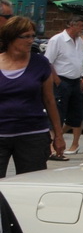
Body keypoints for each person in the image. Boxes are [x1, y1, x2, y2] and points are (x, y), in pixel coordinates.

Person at [0, 15, 63, 174]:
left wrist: (58, 134)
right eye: (25, 36)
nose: (31, 41)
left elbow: (49, 100)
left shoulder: (40, 63)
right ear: (11, 37)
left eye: (33, 36)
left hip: (32, 134)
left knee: (30, 184)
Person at [44, 16, 83, 158]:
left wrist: (81, 76)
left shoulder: (79, 41)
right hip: (62, 80)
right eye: (79, 25)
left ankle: (72, 144)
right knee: (58, 114)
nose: (82, 28)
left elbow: (80, 60)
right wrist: (56, 80)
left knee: (76, 114)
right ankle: (53, 148)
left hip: (75, 81)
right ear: (70, 25)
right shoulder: (57, 40)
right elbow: (48, 61)